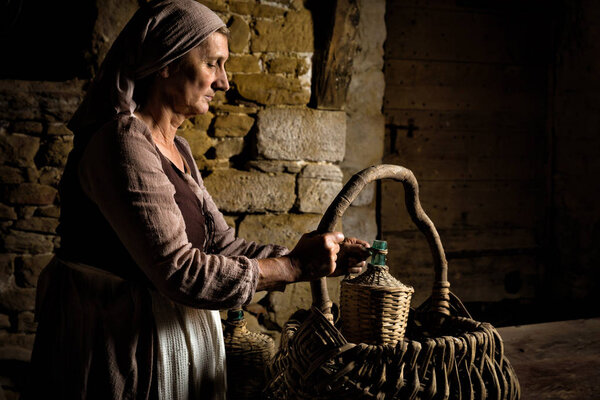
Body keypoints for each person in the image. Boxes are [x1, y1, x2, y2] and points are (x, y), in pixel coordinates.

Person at [24, 1, 370, 399]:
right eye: (213, 64)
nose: (224, 82)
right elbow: (180, 271)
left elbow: (221, 245)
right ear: (165, 62)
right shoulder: (120, 142)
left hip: (159, 340)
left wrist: (304, 256)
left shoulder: (178, 148)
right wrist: (291, 266)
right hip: (116, 346)